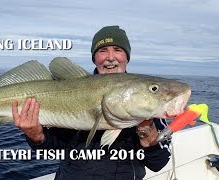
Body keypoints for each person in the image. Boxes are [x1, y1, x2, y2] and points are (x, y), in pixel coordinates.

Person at [12, 26, 171, 180]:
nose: (110, 57)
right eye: (102, 51)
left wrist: (146, 129)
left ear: (126, 57)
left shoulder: (150, 105)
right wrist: (36, 136)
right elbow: (52, 151)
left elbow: (158, 163)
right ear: (95, 58)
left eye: (118, 50)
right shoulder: (71, 89)